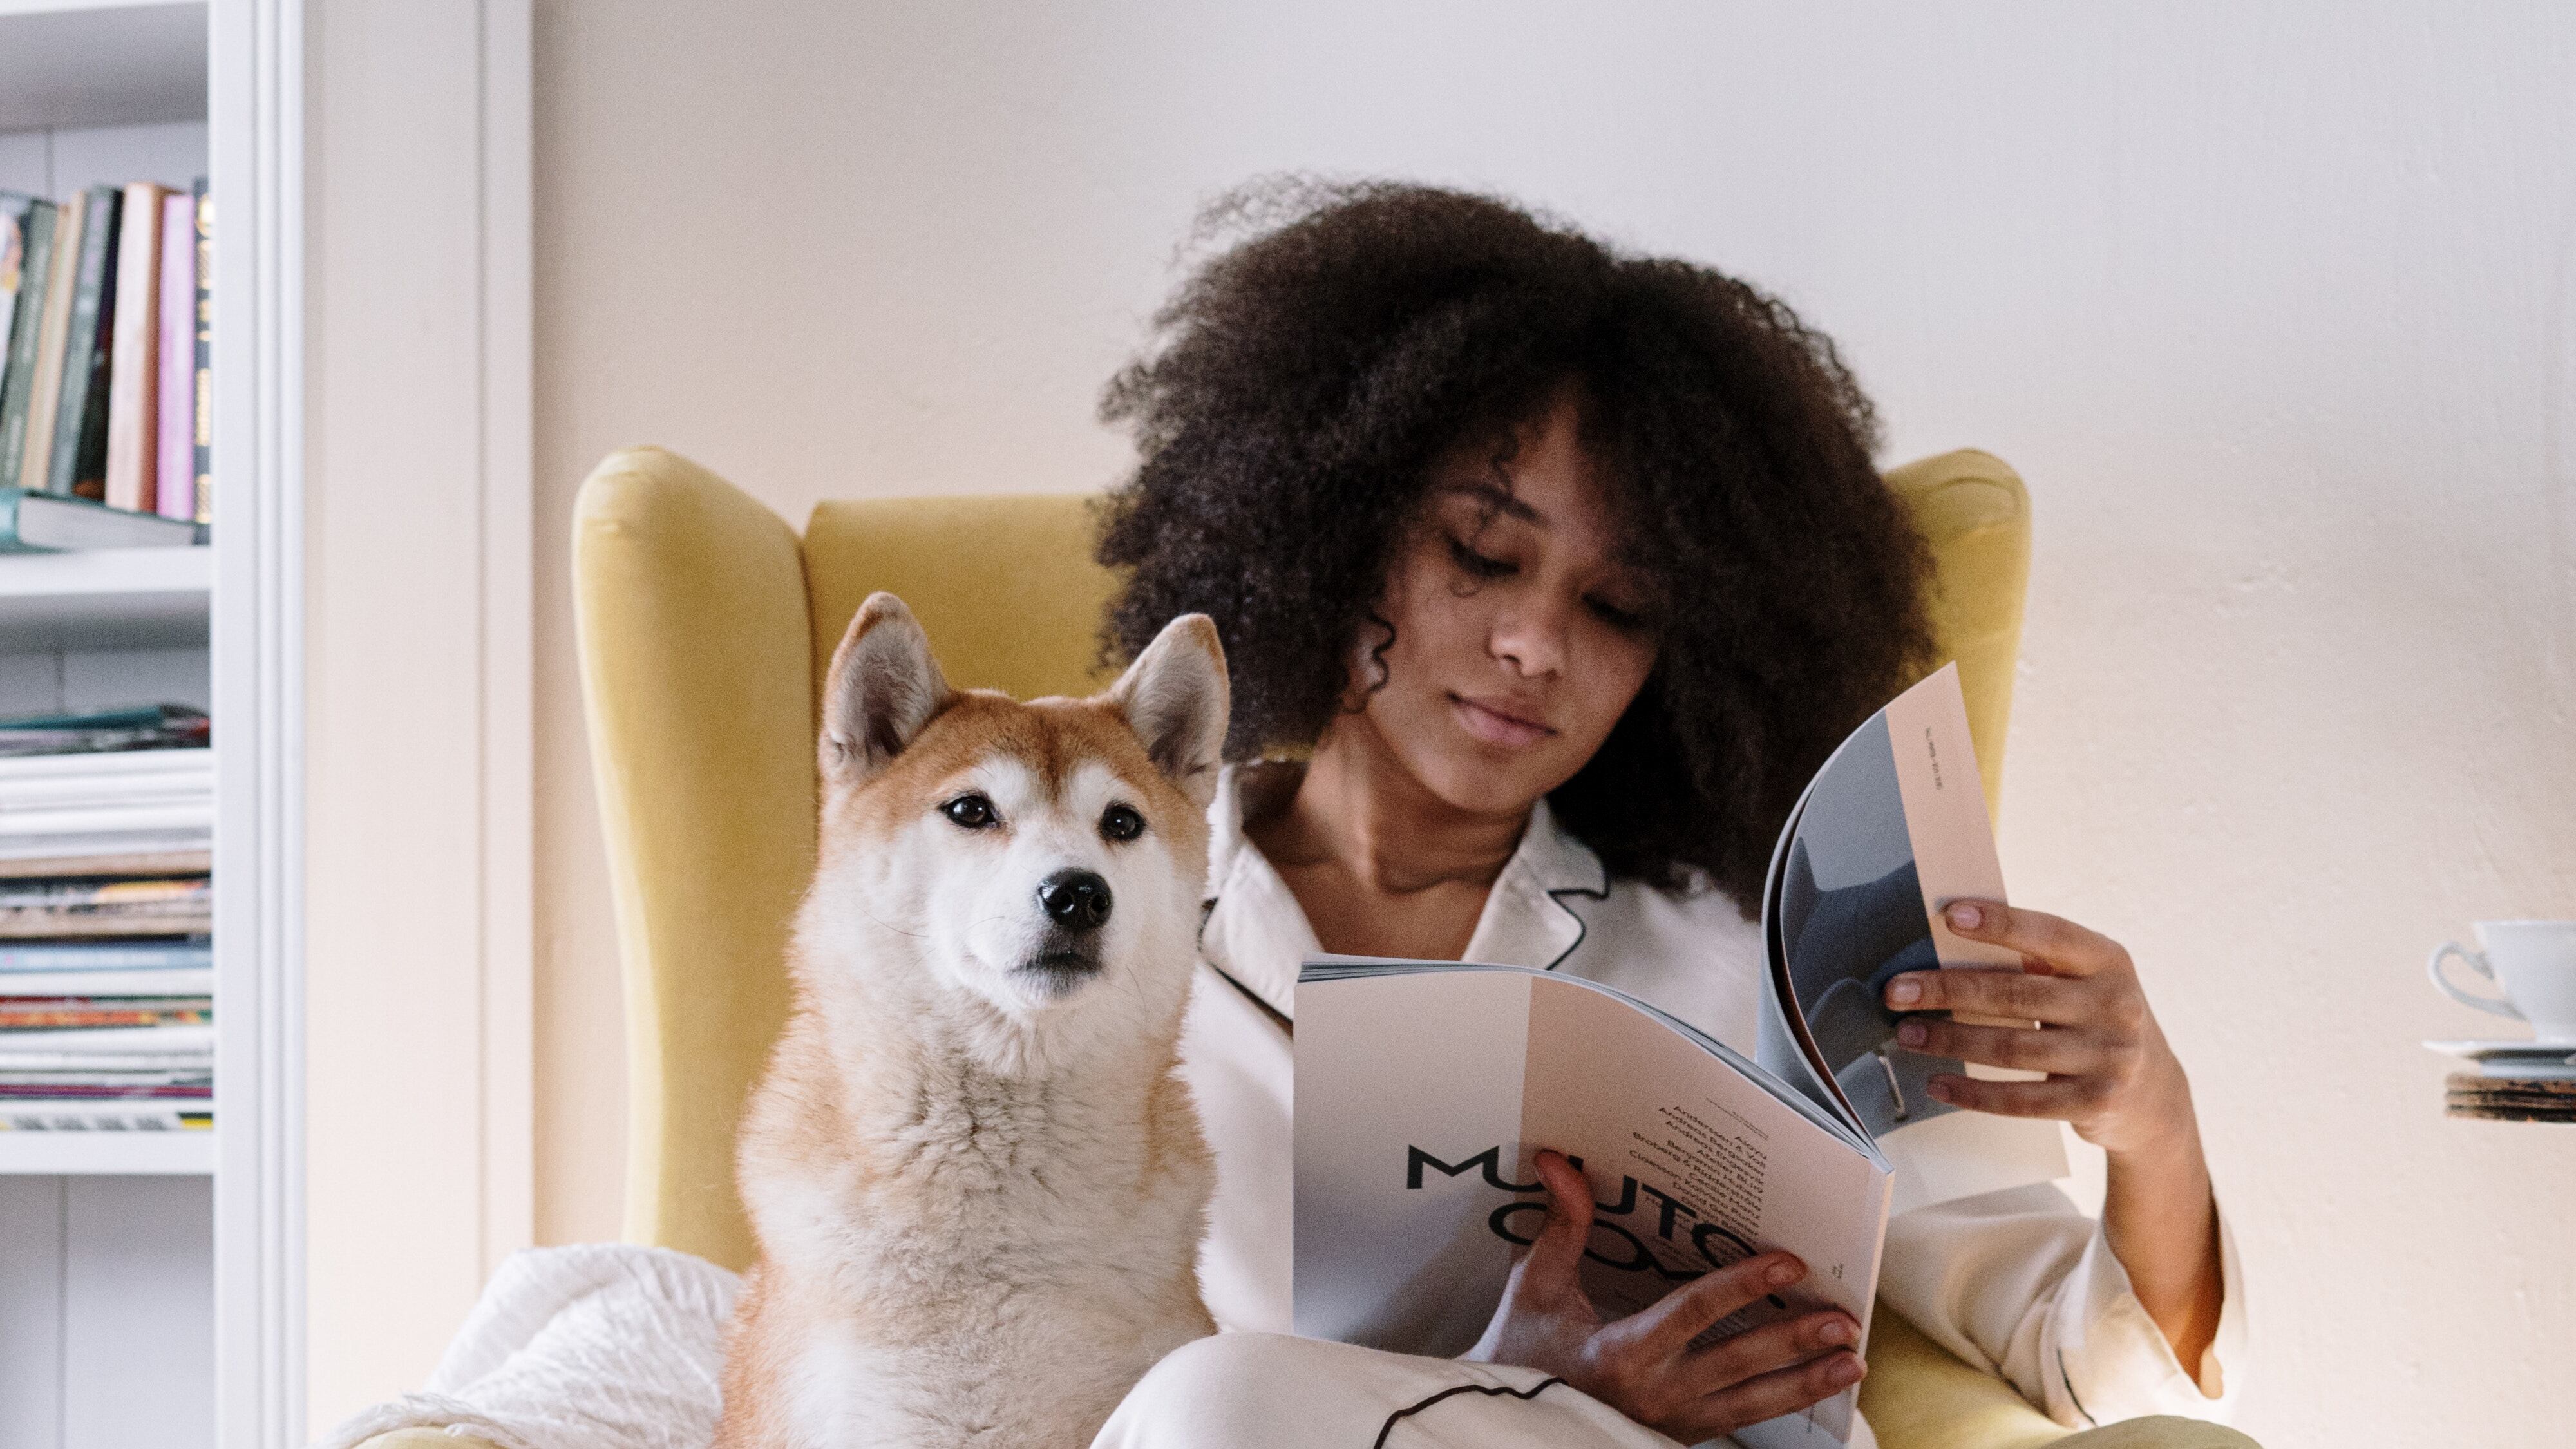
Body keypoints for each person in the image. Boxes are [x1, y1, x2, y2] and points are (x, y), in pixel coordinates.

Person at [1084, 180, 2246, 1448]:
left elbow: (2102, 1383)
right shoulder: (1078, 923)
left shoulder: (1759, 950)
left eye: (1618, 605)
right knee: (1214, 1404)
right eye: (1481, 553)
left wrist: (2153, 1120)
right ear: (1336, 531)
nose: (1532, 642)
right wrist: (1505, 1397)